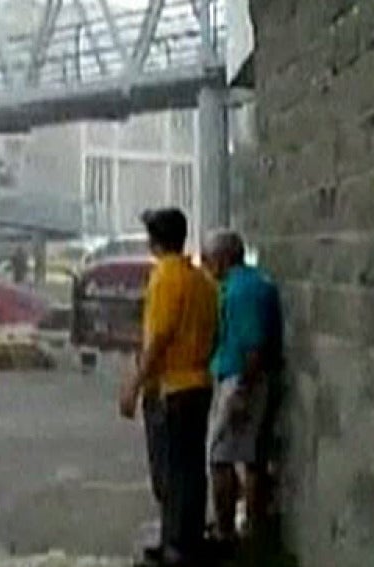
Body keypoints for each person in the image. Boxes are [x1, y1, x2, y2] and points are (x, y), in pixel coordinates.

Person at [119, 208, 217, 566]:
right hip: (200, 385)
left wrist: (133, 384)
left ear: (154, 240)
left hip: (170, 390)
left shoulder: (165, 277)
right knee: (191, 469)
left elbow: (158, 338)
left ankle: (175, 546)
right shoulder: (202, 280)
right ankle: (185, 540)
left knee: (169, 472)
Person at [203, 230, 284, 548]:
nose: (209, 268)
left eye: (210, 261)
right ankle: (252, 525)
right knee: (252, 457)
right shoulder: (257, 282)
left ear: (223, 258)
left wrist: (242, 394)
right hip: (250, 377)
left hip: (241, 379)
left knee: (219, 457)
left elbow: (252, 348)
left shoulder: (239, 293)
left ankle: (228, 531)